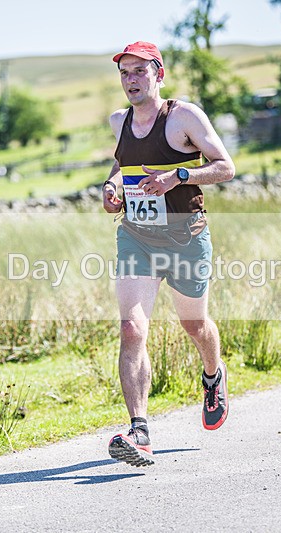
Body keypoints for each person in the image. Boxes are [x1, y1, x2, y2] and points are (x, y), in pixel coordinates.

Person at [102, 41, 235, 467]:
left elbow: (225, 167)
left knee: (194, 325)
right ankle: (139, 431)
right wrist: (112, 188)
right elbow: (121, 165)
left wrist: (179, 176)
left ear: (158, 74)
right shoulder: (118, 121)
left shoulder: (184, 116)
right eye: (125, 73)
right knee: (131, 329)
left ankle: (213, 377)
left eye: (140, 71)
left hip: (185, 237)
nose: (131, 80)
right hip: (137, 237)